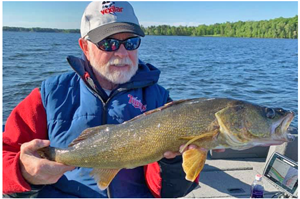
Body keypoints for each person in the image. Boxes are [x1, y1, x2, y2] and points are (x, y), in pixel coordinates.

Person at [3, 1, 223, 198]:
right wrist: (23, 172)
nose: (121, 53)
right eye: (108, 43)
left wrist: (173, 161)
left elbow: (169, 192)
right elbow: (6, 156)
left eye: (131, 42)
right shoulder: (50, 94)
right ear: (85, 47)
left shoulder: (162, 102)